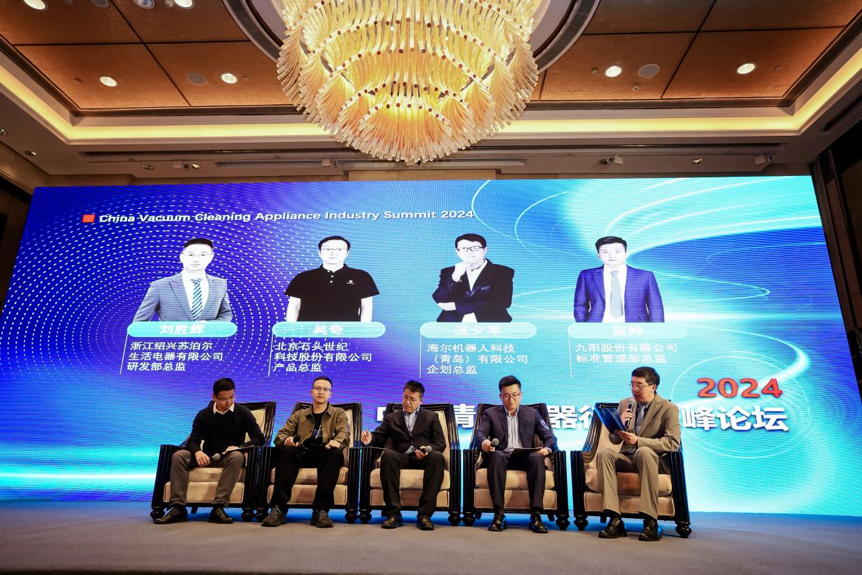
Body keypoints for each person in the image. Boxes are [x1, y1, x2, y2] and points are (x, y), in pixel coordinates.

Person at [153, 378, 264, 524]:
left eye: (232, 397)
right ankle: (178, 507)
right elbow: (193, 440)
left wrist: (240, 447)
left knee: (237, 456)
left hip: (228, 457)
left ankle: (218, 507)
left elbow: (259, 438)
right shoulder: (204, 415)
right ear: (214, 397)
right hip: (207, 456)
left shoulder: (243, 413)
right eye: (223, 399)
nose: (228, 402)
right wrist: (198, 452)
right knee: (179, 455)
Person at [595, 366, 680, 541]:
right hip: (628, 457)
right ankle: (615, 519)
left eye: (639, 385)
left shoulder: (668, 408)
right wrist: (618, 426)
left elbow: (672, 443)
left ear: (652, 387)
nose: (634, 389)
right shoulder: (625, 403)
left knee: (644, 451)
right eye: (632, 384)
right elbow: (615, 440)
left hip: (653, 460)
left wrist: (638, 441)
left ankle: (650, 520)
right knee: (604, 453)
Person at [262, 376, 350, 528]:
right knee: (287, 452)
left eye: (325, 389)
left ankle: (321, 510)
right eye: (317, 388)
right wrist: (287, 440)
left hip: (324, 452)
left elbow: (344, 432)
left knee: (335, 454)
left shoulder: (338, 413)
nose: (321, 392)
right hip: (301, 452)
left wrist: (337, 441)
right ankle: (278, 509)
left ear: (330, 394)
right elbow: (281, 435)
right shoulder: (300, 414)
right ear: (311, 392)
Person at [360, 380, 446, 530]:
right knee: (388, 455)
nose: (407, 402)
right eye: (405, 397)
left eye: (412, 399)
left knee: (437, 457)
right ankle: (393, 514)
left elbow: (440, 442)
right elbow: (378, 436)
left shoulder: (431, 417)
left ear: (420, 401)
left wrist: (427, 450)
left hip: (423, 457)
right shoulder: (391, 418)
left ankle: (424, 515)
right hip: (402, 457)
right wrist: (369, 439)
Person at [474, 375, 555, 533]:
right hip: (502, 456)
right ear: (500, 396)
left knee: (537, 457)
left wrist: (547, 449)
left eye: (514, 395)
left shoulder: (532, 414)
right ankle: (499, 513)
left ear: (521, 394)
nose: (511, 399)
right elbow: (480, 433)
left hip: (525, 457)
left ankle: (536, 515)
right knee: (496, 456)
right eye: (506, 395)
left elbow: (549, 437)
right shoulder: (491, 414)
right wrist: (484, 443)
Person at [134, 238, 233, 322]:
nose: (196, 259)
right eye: (191, 255)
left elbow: (226, 313)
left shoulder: (220, 284)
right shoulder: (160, 286)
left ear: (211, 257)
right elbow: (140, 322)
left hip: (209, 338)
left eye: (203, 255)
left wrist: (211, 325)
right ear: (182, 257)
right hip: (171, 338)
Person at [284, 236, 379, 322]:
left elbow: (366, 306)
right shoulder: (303, 277)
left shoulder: (361, 276)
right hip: (309, 331)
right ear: (319, 253)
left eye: (339, 249)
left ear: (347, 253)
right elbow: (294, 306)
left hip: (347, 331)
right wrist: (291, 329)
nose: (333, 253)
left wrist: (363, 330)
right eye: (328, 249)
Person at [573, 236, 664, 323]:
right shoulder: (587, 275)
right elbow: (580, 304)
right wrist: (583, 326)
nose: (611, 255)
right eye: (605, 252)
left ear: (626, 253)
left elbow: (655, 306)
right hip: (598, 327)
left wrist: (656, 329)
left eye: (617, 251)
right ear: (599, 255)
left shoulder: (645, 276)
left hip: (635, 327)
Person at [432, 233, 514, 322]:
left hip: (491, 323)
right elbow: (440, 299)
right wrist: (455, 277)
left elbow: (503, 301)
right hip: (452, 323)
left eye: (475, 248)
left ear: (485, 250)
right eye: (464, 249)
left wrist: (456, 306)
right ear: (457, 251)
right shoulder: (448, 271)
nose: (469, 252)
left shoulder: (502, 271)